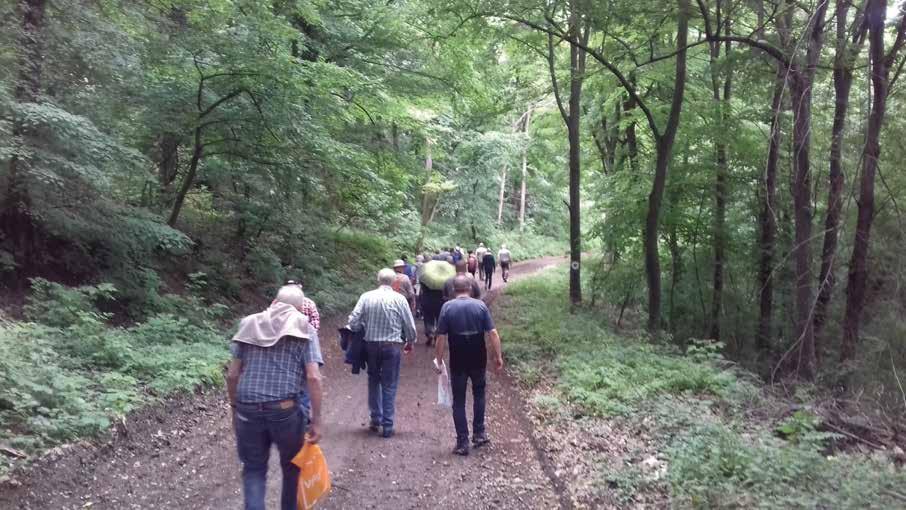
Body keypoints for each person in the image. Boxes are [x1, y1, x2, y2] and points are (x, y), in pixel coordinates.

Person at [227, 285, 324, 510]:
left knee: (253, 469)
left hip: (247, 408)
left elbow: (232, 375)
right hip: (285, 410)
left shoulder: (248, 323)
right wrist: (317, 420)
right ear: (300, 308)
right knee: (291, 467)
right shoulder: (305, 328)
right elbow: (314, 377)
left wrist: (234, 408)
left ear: (274, 302)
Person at [435, 275, 504, 456]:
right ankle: (479, 433)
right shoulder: (480, 306)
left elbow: (441, 337)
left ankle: (462, 442)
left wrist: (439, 359)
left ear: (453, 290)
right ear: (471, 288)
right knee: (479, 393)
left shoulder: (447, 307)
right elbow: (493, 333)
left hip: (458, 356)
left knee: (458, 400)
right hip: (477, 355)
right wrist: (498, 356)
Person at [347, 269, 417, 438]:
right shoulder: (399, 299)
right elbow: (409, 325)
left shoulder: (366, 297)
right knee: (389, 384)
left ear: (378, 280)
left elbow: (353, 320)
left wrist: (359, 331)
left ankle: (375, 419)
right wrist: (410, 340)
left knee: (373, 380)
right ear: (394, 282)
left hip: (371, 345)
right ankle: (388, 425)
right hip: (392, 346)